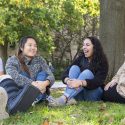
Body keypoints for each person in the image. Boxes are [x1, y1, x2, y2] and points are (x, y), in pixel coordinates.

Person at [49, 36, 108, 106]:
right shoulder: (81, 58)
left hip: (93, 94)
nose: (84, 47)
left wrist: (81, 82)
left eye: (87, 45)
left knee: (87, 73)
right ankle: (70, 98)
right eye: (83, 45)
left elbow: (98, 81)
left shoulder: (102, 61)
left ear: (95, 47)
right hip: (79, 93)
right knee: (74, 68)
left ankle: (64, 98)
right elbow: (65, 73)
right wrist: (68, 80)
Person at [5, 36, 55, 104]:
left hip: (40, 87)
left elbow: (51, 75)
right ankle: (38, 98)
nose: (33, 48)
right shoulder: (13, 60)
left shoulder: (40, 59)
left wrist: (44, 83)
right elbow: (13, 76)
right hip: (22, 90)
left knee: (43, 73)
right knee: (22, 74)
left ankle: (37, 98)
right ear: (21, 48)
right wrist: (33, 84)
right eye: (30, 45)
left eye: (35, 46)